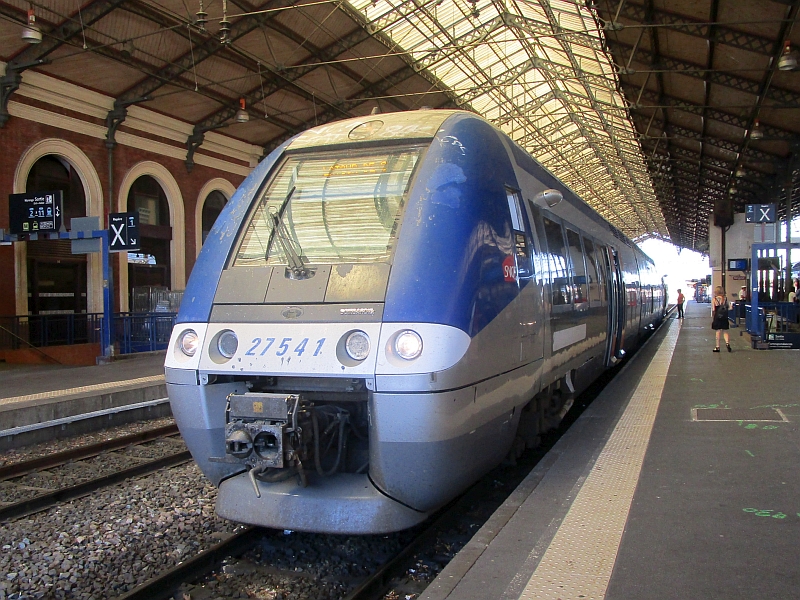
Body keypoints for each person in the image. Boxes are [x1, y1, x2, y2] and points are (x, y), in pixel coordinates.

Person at [711, 285, 731, 352]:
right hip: (724, 317)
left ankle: (717, 347)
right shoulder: (725, 299)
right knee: (725, 331)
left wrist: (713, 317)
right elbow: (730, 308)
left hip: (717, 317)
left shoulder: (714, 299)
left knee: (718, 332)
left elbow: (713, 309)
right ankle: (727, 343)